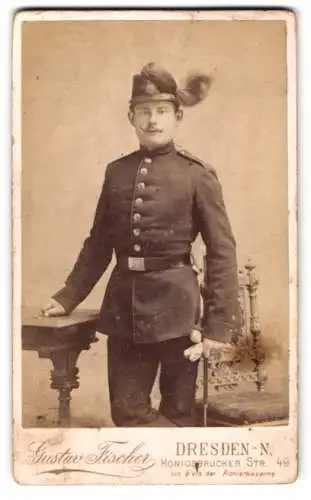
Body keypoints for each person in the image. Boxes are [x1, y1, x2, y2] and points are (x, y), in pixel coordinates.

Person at [41, 62, 242, 427]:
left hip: (178, 312)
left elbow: (222, 250)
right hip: (124, 309)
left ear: (178, 115)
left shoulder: (197, 174)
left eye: (162, 111)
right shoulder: (116, 172)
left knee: (179, 412)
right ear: (130, 116)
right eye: (144, 111)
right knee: (127, 412)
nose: (153, 120)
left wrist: (218, 325)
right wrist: (68, 296)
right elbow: (99, 241)